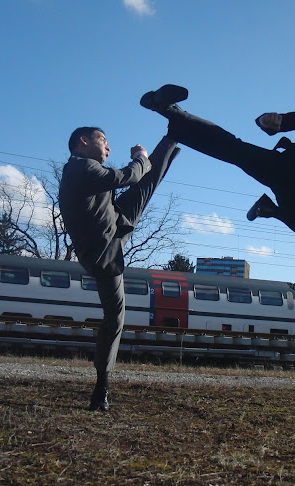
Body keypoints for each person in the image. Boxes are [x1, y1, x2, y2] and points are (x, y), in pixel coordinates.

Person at [140, 77, 295, 257]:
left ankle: (273, 210)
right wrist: (269, 121)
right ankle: (168, 109)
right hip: (286, 169)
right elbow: (287, 121)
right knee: (235, 149)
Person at [59, 124, 182, 411]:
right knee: (115, 317)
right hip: (103, 253)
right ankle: (101, 386)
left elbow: (137, 180)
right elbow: (127, 176)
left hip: (116, 221)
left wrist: (147, 163)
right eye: (103, 140)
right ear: (83, 141)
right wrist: (140, 156)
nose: (108, 147)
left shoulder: (83, 167)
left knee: (148, 184)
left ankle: (175, 134)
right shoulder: (80, 168)